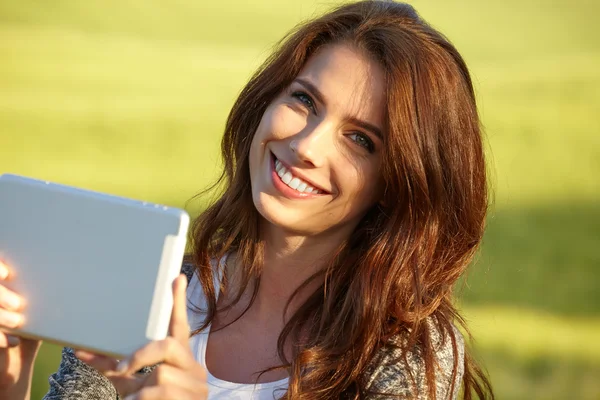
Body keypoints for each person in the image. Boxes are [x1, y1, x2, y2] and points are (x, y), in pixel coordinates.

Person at [0, 1, 494, 399]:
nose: (305, 145)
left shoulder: (406, 353)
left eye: (361, 140)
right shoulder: (146, 292)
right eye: (304, 100)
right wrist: (11, 380)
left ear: (399, 183)